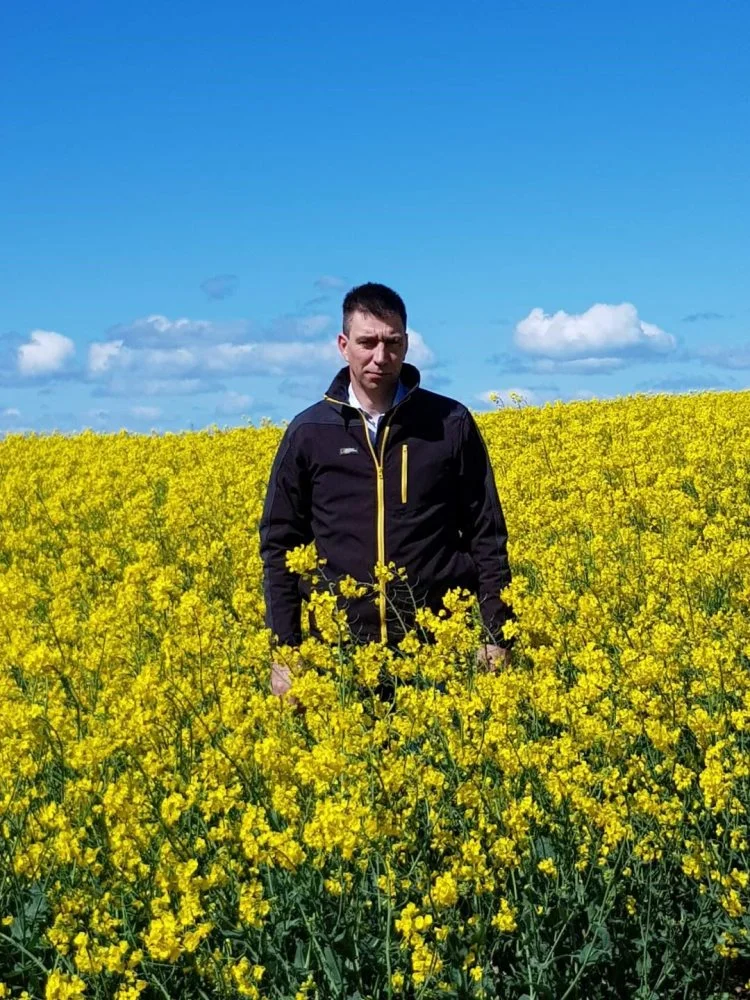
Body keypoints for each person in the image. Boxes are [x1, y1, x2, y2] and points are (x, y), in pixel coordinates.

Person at [259, 282, 514, 699]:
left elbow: (487, 534)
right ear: (344, 345)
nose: (381, 356)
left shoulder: (449, 423)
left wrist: (496, 633)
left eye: (392, 343)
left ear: (407, 344)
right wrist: (285, 651)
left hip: (441, 651)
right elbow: (280, 546)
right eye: (367, 342)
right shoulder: (309, 433)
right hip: (339, 660)